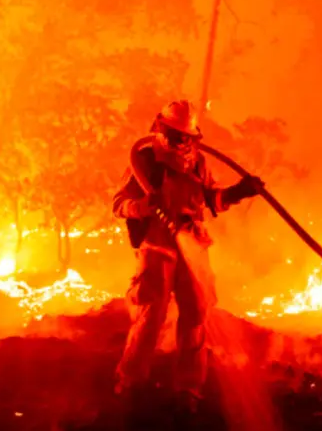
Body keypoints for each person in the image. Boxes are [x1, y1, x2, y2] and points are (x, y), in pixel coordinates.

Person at [112, 99, 263, 411]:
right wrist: (142, 207)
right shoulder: (145, 160)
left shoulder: (198, 163)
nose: (181, 143)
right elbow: (119, 204)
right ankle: (130, 382)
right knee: (151, 315)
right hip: (157, 247)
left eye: (186, 137)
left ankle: (189, 387)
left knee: (196, 314)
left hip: (193, 245)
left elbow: (212, 199)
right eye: (176, 135)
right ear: (162, 129)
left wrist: (239, 191)